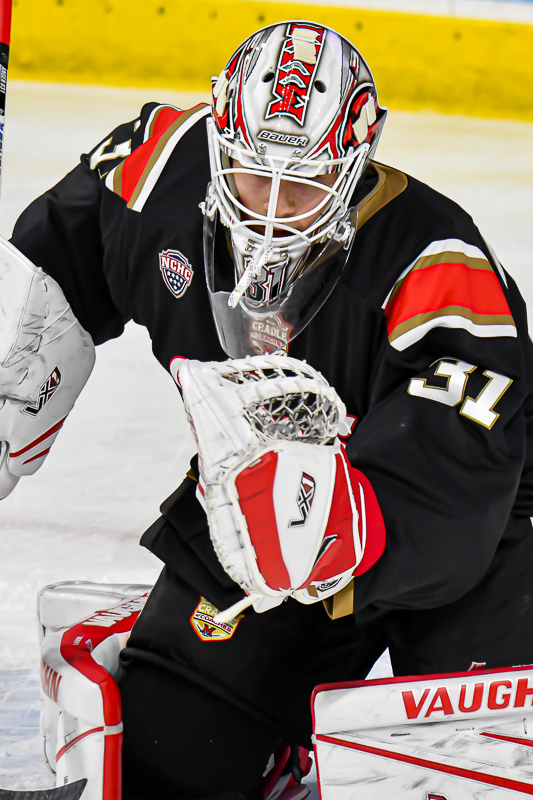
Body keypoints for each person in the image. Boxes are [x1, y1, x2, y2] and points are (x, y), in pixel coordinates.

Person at [4, 19, 533, 800]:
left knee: (472, 774)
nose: (276, 211)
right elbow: (65, 264)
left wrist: (343, 520)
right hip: (259, 508)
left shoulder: (436, 262)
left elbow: (469, 465)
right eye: (255, 177)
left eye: (308, 183)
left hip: (468, 537)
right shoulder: (157, 172)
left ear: (357, 160)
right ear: (218, 145)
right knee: (166, 765)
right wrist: (15, 397)